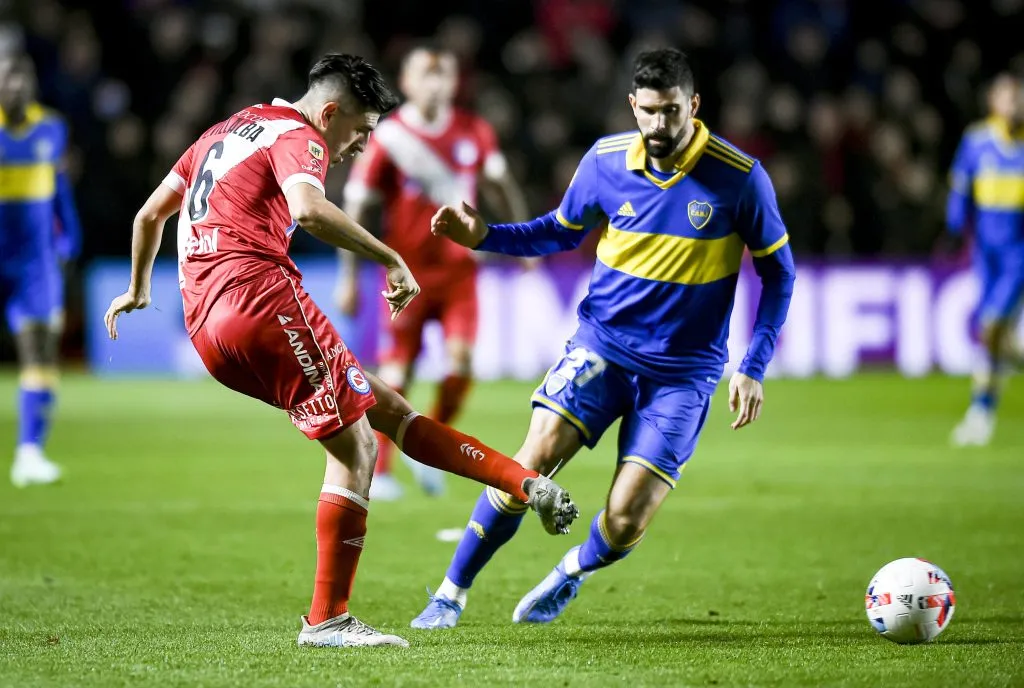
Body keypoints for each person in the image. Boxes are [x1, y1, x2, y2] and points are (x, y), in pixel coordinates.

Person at [103, 53, 578, 649]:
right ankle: (327, 619)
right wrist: (390, 257)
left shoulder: (226, 129)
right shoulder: (301, 136)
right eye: (360, 130)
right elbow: (307, 208)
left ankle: (524, 483)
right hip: (258, 296)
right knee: (356, 444)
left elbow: (151, 213)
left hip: (207, 326)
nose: (358, 145)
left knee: (385, 407)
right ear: (330, 112)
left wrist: (139, 288)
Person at [410, 48, 796, 629]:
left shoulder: (740, 178)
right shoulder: (605, 161)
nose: (659, 126)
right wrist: (484, 234)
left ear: (693, 105)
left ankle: (572, 570)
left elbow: (779, 273)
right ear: (632, 107)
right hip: (603, 348)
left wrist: (754, 363)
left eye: (671, 112)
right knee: (532, 459)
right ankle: (450, 592)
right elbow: (556, 232)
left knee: (625, 519)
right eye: (648, 112)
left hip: (682, 374)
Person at [336, 42, 530, 501]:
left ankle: (429, 442)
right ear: (406, 83)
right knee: (397, 372)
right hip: (407, 274)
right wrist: (348, 274)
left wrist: (521, 240)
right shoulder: (388, 137)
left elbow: (500, 185)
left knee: (461, 364)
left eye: (443, 74)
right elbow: (356, 203)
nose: (436, 82)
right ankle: (381, 470)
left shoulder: (474, 131)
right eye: (426, 73)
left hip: (460, 272)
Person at [0, 53, 82, 487]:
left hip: (35, 263)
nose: (14, 88)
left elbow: (60, 188)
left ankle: (29, 453)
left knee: (40, 352)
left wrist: (69, 237)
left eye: (20, 79)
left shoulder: (51, 128)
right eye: (6, 80)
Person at [948, 72, 1024, 447]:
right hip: (985, 254)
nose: (1016, 105)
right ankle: (983, 411)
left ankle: (980, 411)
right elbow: (961, 191)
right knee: (998, 340)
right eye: (1010, 97)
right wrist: (955, 224)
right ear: (995, 101)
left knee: (990, 327)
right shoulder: (977, 142)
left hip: (1017, 256)